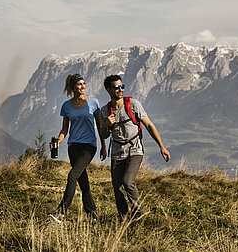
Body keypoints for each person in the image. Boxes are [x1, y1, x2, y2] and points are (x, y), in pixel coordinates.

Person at [100, 74, 170, 223]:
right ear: (108, 90)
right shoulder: (105, 111)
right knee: (117, 188)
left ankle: (138, 214)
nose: (120, 90)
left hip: (134, 149)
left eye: (122, 86)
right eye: (116, 87)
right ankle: (124, 219)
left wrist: (161, 146)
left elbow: (149, 125)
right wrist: (106, 124)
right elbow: (104, 135)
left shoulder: (133, 105)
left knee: (127, 181)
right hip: (117, 152)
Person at [49, 73, 103, 224]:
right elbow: (64, 129)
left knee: (72, 176)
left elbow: (99, 126)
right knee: (82, 181)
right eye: (79, 84)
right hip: (73, 146)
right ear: (72, 87)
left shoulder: (93, 103)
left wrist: (103, 146)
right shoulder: (66, 106)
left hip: (89, 146)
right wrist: (58, 142)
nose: (83, 87)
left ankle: (61, 213)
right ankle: (92, 216)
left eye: (84, 84)